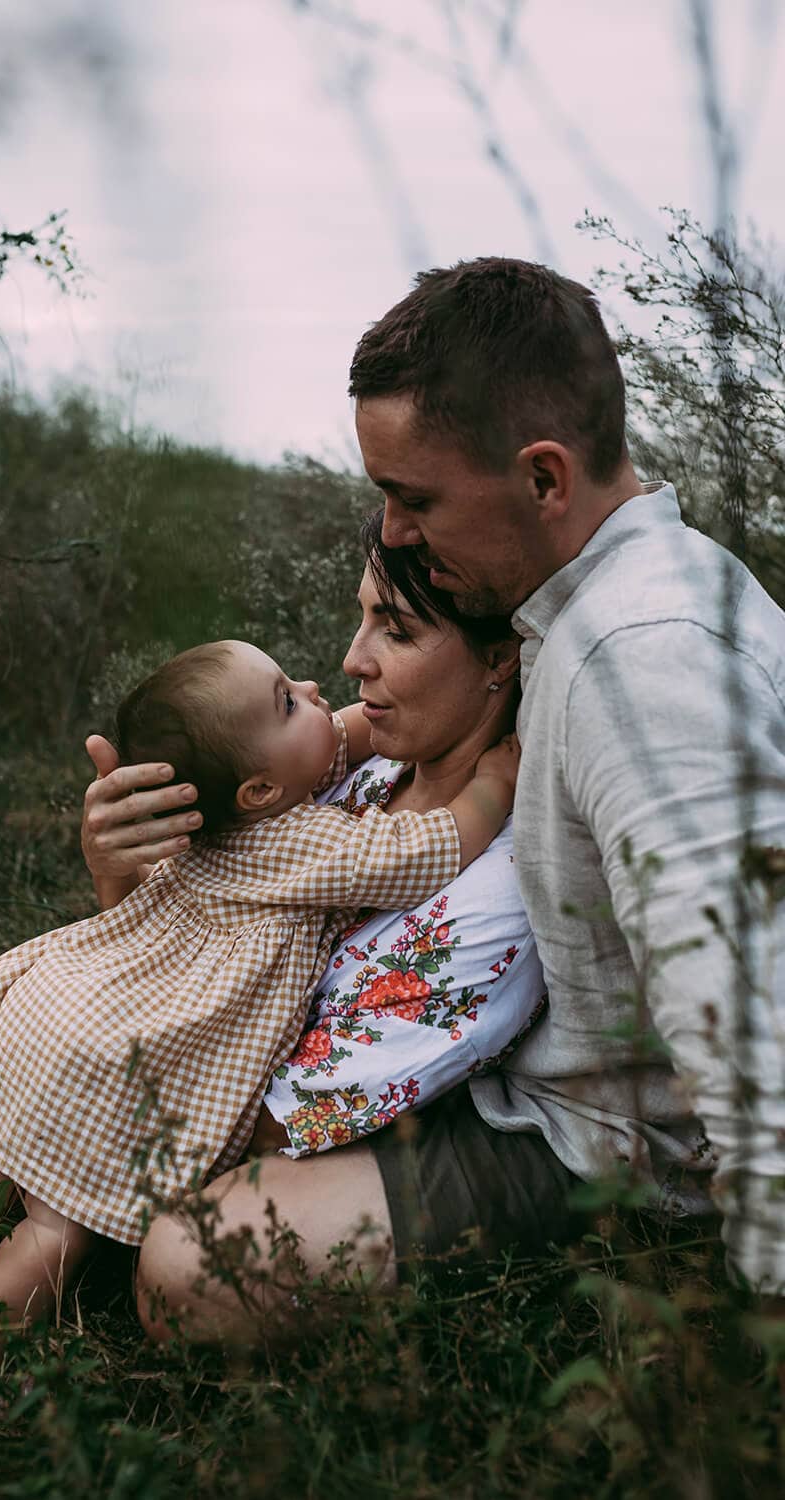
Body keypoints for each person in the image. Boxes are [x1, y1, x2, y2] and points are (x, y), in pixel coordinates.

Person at [133, 256, 785, 1336]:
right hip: (502, 1078)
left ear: (541, 478)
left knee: (197, 1265)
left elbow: (748, 1017)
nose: (393, 534)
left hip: (600, 1149)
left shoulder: (643, 660)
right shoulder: (596, 602)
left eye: (412, 497)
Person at [0, 630, 520, 1418]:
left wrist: (304, 721)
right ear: (256, 789)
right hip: (122, 1067)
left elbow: (306, 738)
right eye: (292, 697)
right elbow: (435, 846)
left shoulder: (211, 821)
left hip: (57, 1003)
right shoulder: (310, 840)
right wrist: (494, 778)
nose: (325, 685)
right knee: (51, 1228)